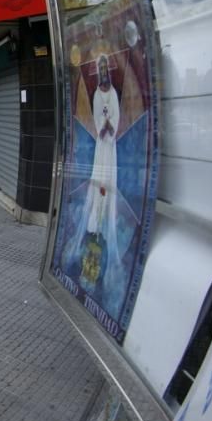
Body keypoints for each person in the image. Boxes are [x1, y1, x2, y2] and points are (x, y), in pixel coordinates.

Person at [80, 54, 120, 288]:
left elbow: (114, 114)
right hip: (100, 144)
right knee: (98, 180)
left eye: (106, 66)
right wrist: (102, 127)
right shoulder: (97, 94)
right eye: (101, 66)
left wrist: (109, 127)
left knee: (109, 179)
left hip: (110, 144)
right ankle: (95, 223)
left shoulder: (112, 93)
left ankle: (106, 224)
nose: (104, 69)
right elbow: (97, 115)